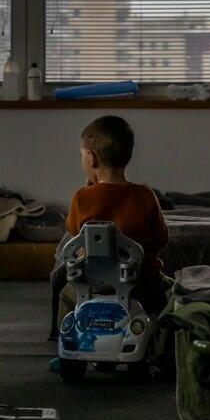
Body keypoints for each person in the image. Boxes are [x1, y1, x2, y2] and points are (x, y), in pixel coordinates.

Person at [55, 115, 169, 333]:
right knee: (169, 293)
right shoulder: (146, 195)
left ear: (91, 158)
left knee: (64, 295)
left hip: (92, 284)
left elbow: (73, 234)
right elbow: (161, 240)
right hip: (141, 283)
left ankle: (63, 342)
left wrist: (88, 190)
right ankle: (163, 346)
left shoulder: (81, 197)